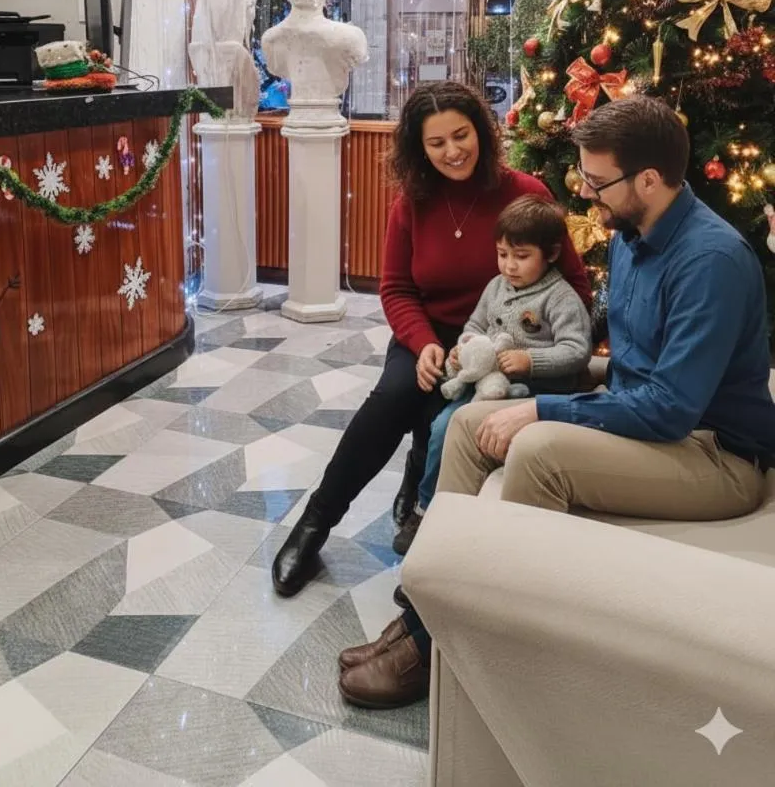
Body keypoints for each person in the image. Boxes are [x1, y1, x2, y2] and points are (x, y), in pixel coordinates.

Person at [337, 96, 775, 710]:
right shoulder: (632, 236)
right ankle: (426, 620)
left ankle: (458, 649)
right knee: (465, 423)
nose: (587, 194)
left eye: (598, 182)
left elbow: (670, 409)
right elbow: (627, 370)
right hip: (658, 424)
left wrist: (543, 409)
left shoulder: (711, 262)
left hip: (715, 456)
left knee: (537, 449)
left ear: (647, 180)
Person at [271, 81, 591, 598]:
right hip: (431, 334)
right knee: (394, 398)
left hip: (506, 341)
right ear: (419, 148)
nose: (452, 151)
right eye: (436, 142)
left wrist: (526, 346)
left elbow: (572, 285)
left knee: (448, 416)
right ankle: (314, 525)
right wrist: (422, 343)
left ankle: (424, 514)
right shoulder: (411, 203)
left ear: (482, 133)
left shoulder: (527, 194)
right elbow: (396, 287)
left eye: (461, 135)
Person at [392, 194, 592, 555]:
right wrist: (465, 344)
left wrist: (531, 361)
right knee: (443, 426)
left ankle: (464, 519)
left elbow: (577, 351)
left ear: (549, 254)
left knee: (462, 430)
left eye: (521, 256)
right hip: (486, 385)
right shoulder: (496, 287)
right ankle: (425, 508)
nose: (509, 266)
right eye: (502, 254)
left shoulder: (560, 298)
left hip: (532, 394)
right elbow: (475, 323)